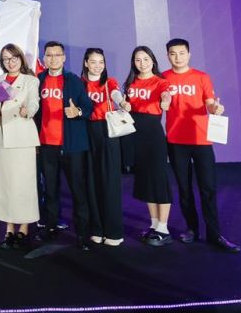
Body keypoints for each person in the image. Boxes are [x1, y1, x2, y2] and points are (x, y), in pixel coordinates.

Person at [162, 38, 239, 252]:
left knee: (208, 188)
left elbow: (210, 104)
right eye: (173, 53)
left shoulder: (201, 77)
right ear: (167, 56)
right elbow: (161, 103)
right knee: (184, 189)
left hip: (201, 140)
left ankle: (214, 234)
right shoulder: (163, 78)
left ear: (189, 54)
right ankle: (192, 229)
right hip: (176, 140)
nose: (178, 57)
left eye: (182, 53)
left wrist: (216, 109)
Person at [34, 41, 93, 245]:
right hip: (46, 144)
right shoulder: (38, 80)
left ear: (64, 57)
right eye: (49, 55)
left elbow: (88, 107)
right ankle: (50, 226)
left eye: (57, 55)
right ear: (44, 58)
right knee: (50, 189)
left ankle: (82, 233)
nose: (53, 59)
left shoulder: (74, 80)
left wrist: (77, 111)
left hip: (72, 145)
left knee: (78, 190)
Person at [0, 43, 41, 247]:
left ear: (20, 59)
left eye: (14, 58)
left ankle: (24, 228)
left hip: (22, 139)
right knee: (5, 185)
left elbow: (34, 102)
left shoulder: (30, 80)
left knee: (23, 185)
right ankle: (9, 228)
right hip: (1, 139)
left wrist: (28, 111)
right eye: (6, 59)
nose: (10, 62)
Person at [123, 45, 173, 246]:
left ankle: (164, 228)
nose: (142, 63)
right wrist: (124, 105)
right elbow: (126, 105)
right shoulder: (131, 83)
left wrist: (166, 101)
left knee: (158, 179)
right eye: (138, 60)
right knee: (145, 180)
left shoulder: (160, 82)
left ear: (152, 60)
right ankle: (154, 225)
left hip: (153, 135)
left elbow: (166, 95)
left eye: (145, 59)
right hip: (135, 135)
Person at [81, 48, 127, 247]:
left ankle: (113, 231)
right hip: (87, 132)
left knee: (110, 180)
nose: (97, 66)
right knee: (91, 181)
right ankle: (96, 229)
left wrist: (122, 101)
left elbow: (116, 93)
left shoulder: (109, 82)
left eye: (101, 62)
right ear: (86, 63)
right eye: (93, 62)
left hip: (108, 131)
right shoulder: (80, 83)